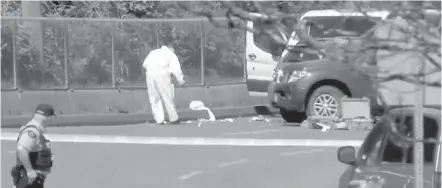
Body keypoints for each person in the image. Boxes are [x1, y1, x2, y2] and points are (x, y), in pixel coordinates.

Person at [11, 104, 56, 188]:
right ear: (49, 118)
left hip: (32, 180)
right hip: (30, 181)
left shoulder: (35, 131)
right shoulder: (33, 132)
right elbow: (21, 149)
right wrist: (29, 170)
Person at [143, 38, 186, 125]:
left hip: (150, 74)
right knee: (167, 96)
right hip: (162, 73)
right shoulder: (170, 54)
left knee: (154, 97)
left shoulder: (154, 52)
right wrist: (181, 81)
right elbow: (176, 69)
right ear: (171, 48)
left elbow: (145, 64)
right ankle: (173, 118)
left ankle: (159, 119)